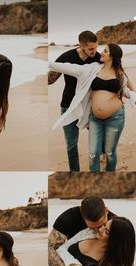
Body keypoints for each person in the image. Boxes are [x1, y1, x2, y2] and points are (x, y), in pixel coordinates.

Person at [49, 42, 136, 172]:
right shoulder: (93, 68)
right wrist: (48, 63)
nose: (100, 52)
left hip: (116, 117)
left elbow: (125, 89)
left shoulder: (119, 73)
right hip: (94, 119)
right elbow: (70, 67)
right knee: (93, 153)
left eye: (105, 51)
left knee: (109, 152)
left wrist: (135, 97)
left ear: (112, 56)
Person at [48, 30, 101, 171]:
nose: (94, 51)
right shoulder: (67, 57)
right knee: (71, 144)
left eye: (96, 47)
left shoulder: (98, 58)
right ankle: (74, 172)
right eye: (91, 48)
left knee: (98, 137)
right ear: (80, 45)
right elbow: (50, 80)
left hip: (90, 106)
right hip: (69, 105)